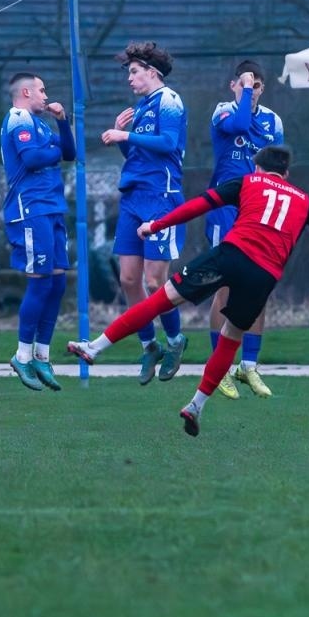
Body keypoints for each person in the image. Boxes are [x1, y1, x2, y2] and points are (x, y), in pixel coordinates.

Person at [66, 145, 309, 438]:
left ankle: (95, 347)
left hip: (230, 255)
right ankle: (196, 405)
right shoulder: (305, 200)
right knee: (231, 340)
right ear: (286, 174)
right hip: (264, 275)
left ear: (257, 168)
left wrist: (157, 225)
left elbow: (200, 205)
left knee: (160, 300)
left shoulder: (248, 182)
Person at [100, 41, 189, 384]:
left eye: (134, 72)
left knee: (155, 281)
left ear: (152, 73)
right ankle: (149, 345)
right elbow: (137, 157)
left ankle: (176, 340)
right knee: (128, 279)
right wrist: (124, 139)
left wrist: (126, 133)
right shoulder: (142, 107)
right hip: (133, 198)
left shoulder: (169, 100)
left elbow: (167, 144)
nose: (130, 79)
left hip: (160, 198)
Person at [205, 60, 285, 399]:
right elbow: (239, 124)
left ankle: (249, 366)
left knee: (259, 287)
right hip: (226, 208)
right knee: (224, 289)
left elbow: (278, 165)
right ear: (233, 85)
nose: (248, 90)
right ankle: (218, 367)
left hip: (259, 211)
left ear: (263, 88)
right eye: (242, 84)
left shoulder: (273, 121)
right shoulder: (224, 111)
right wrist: (245, 92)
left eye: (254, 85)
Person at [0, 72, 77, 391]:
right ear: (27, 92)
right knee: (40, 282)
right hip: (29, 209)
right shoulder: (18, 118)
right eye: (42, 90)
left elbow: (70, 153)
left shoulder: (41, 125)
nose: (46, 96)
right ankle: (22, 355)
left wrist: (62, 122)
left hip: (52, 208)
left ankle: (42, 356)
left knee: (57, 283)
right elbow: (31, 159)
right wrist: (54, 151)